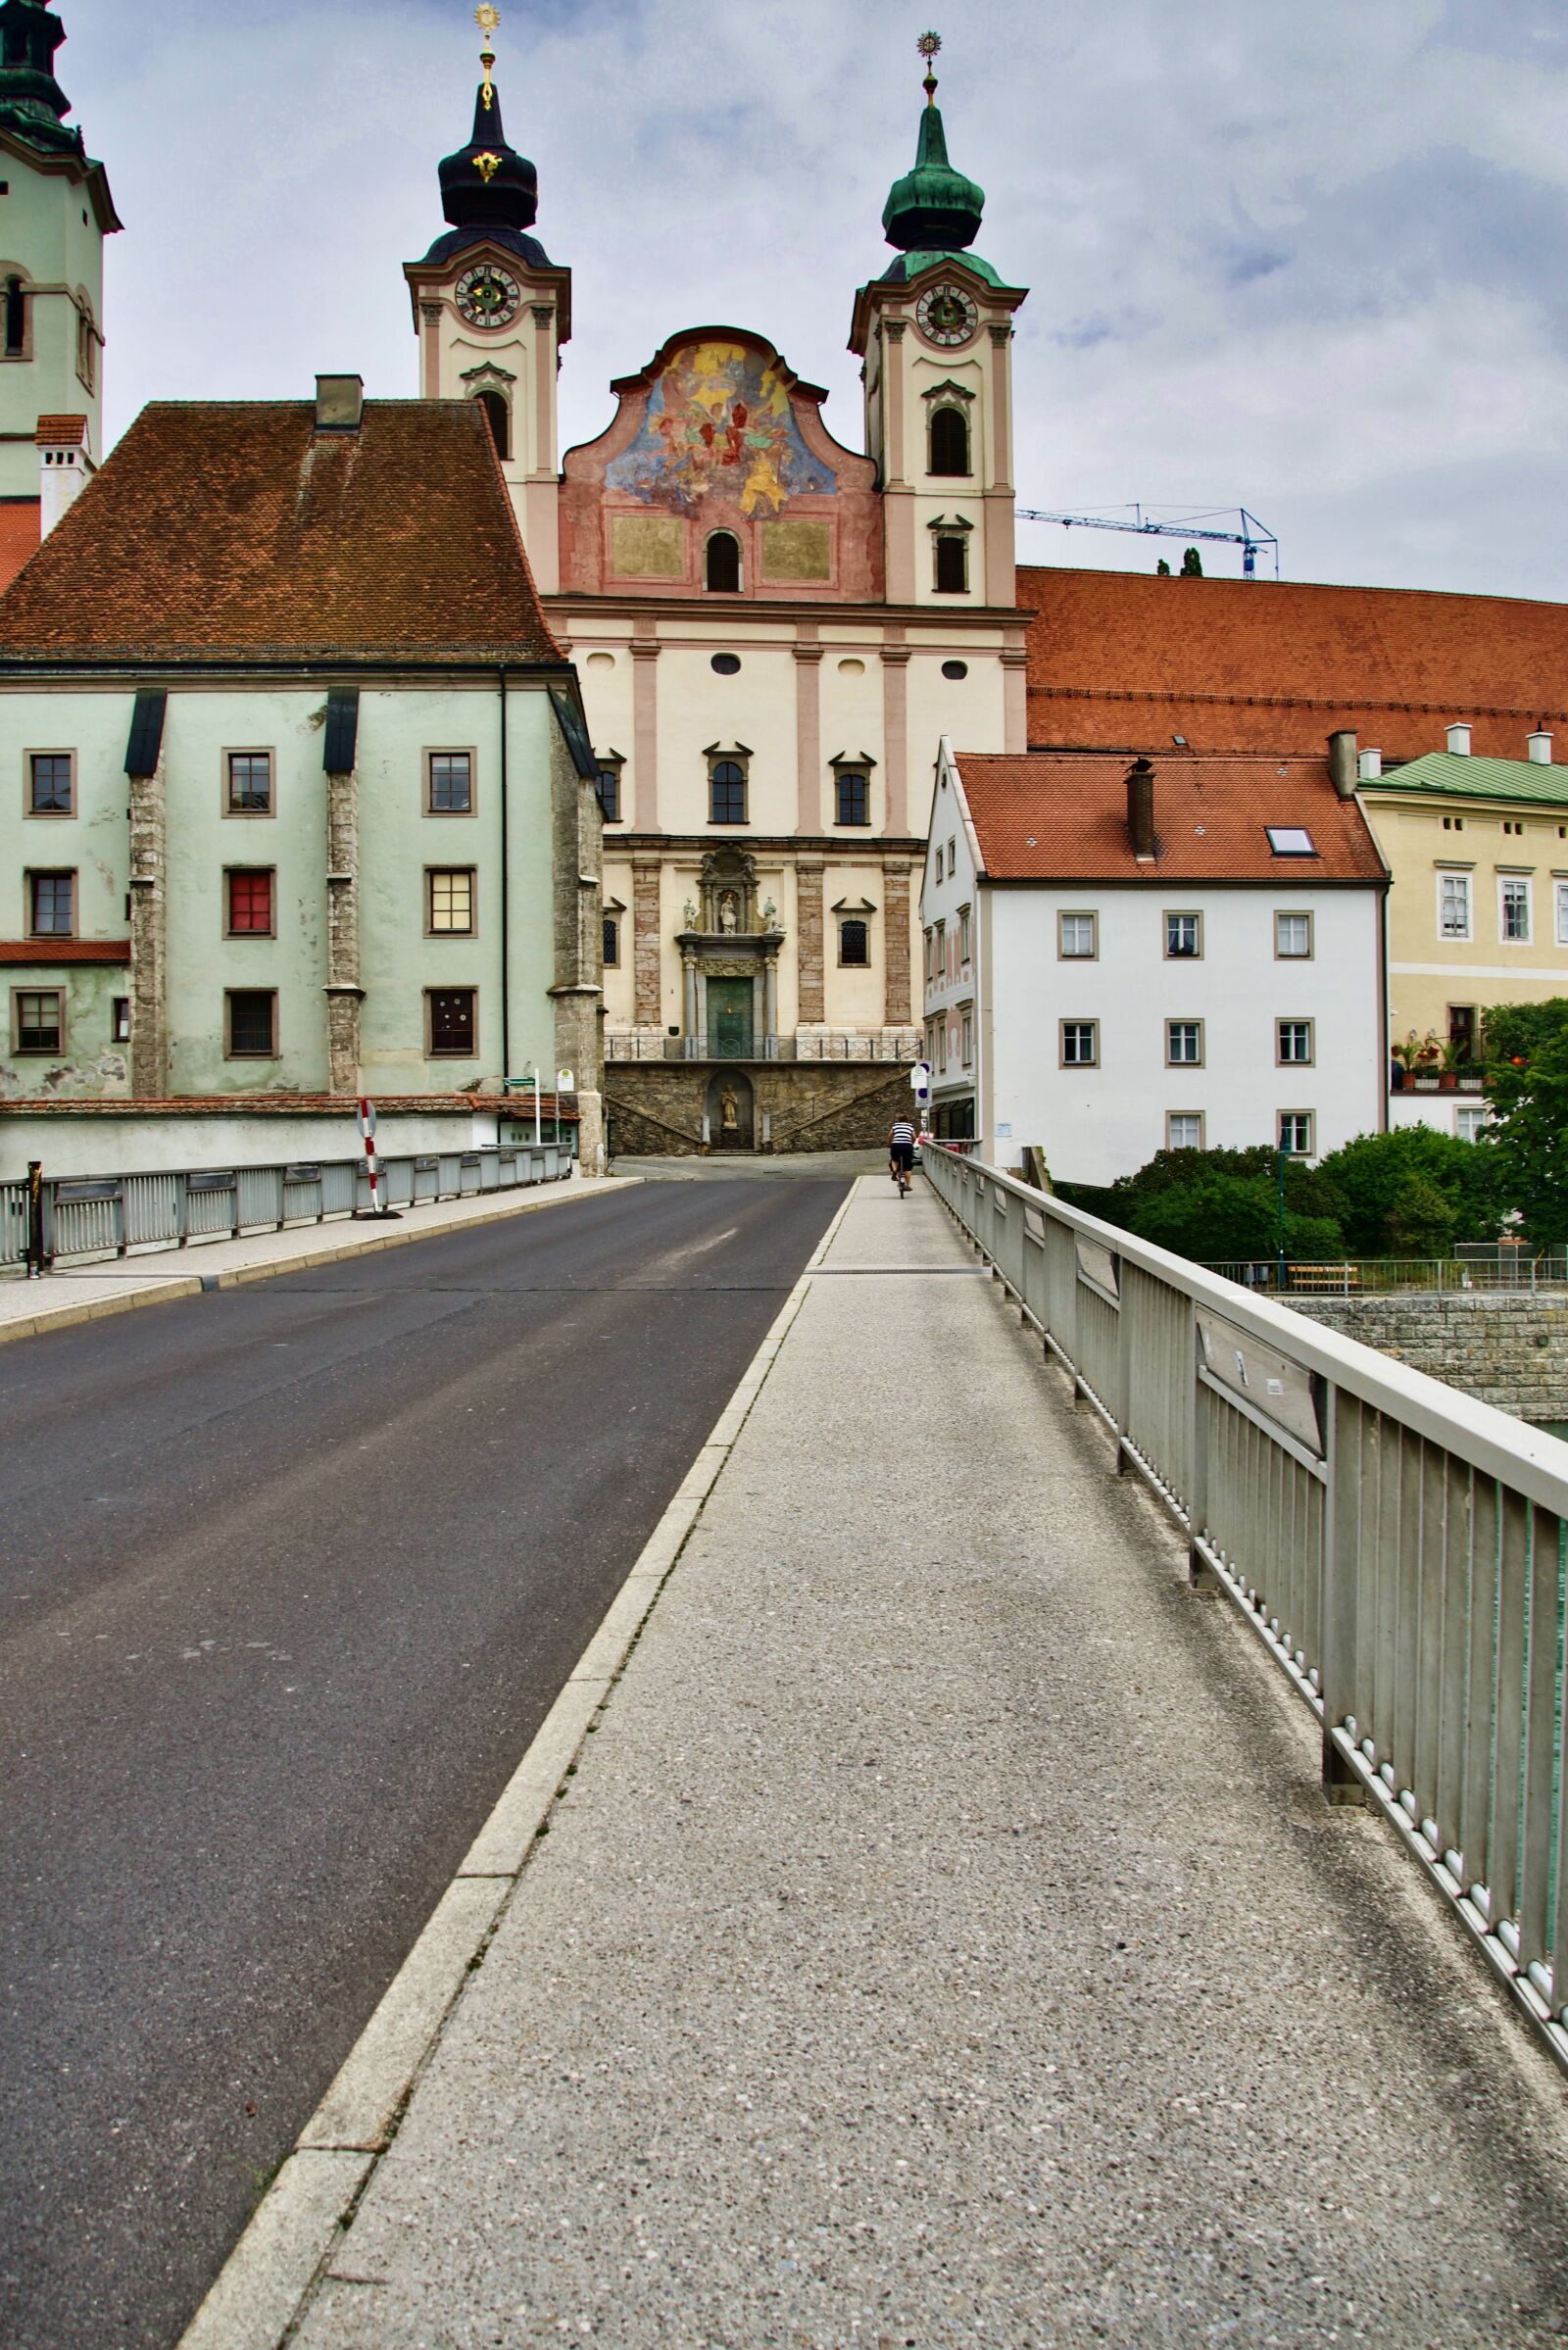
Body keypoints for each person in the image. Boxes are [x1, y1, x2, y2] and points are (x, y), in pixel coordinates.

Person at [888, 1113, 917, 1191]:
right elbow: (914, 1137)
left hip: (896, 1145)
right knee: (907, 1166)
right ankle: (908, 1186)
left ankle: (894, 1171)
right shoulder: (910, 1126)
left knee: (894, 1159)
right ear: (907, 1119)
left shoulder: (895, 1125)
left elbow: (890, 1135)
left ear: (899, 1119)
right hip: (907, 1146)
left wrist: (889, 1143)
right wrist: (912, 1143)